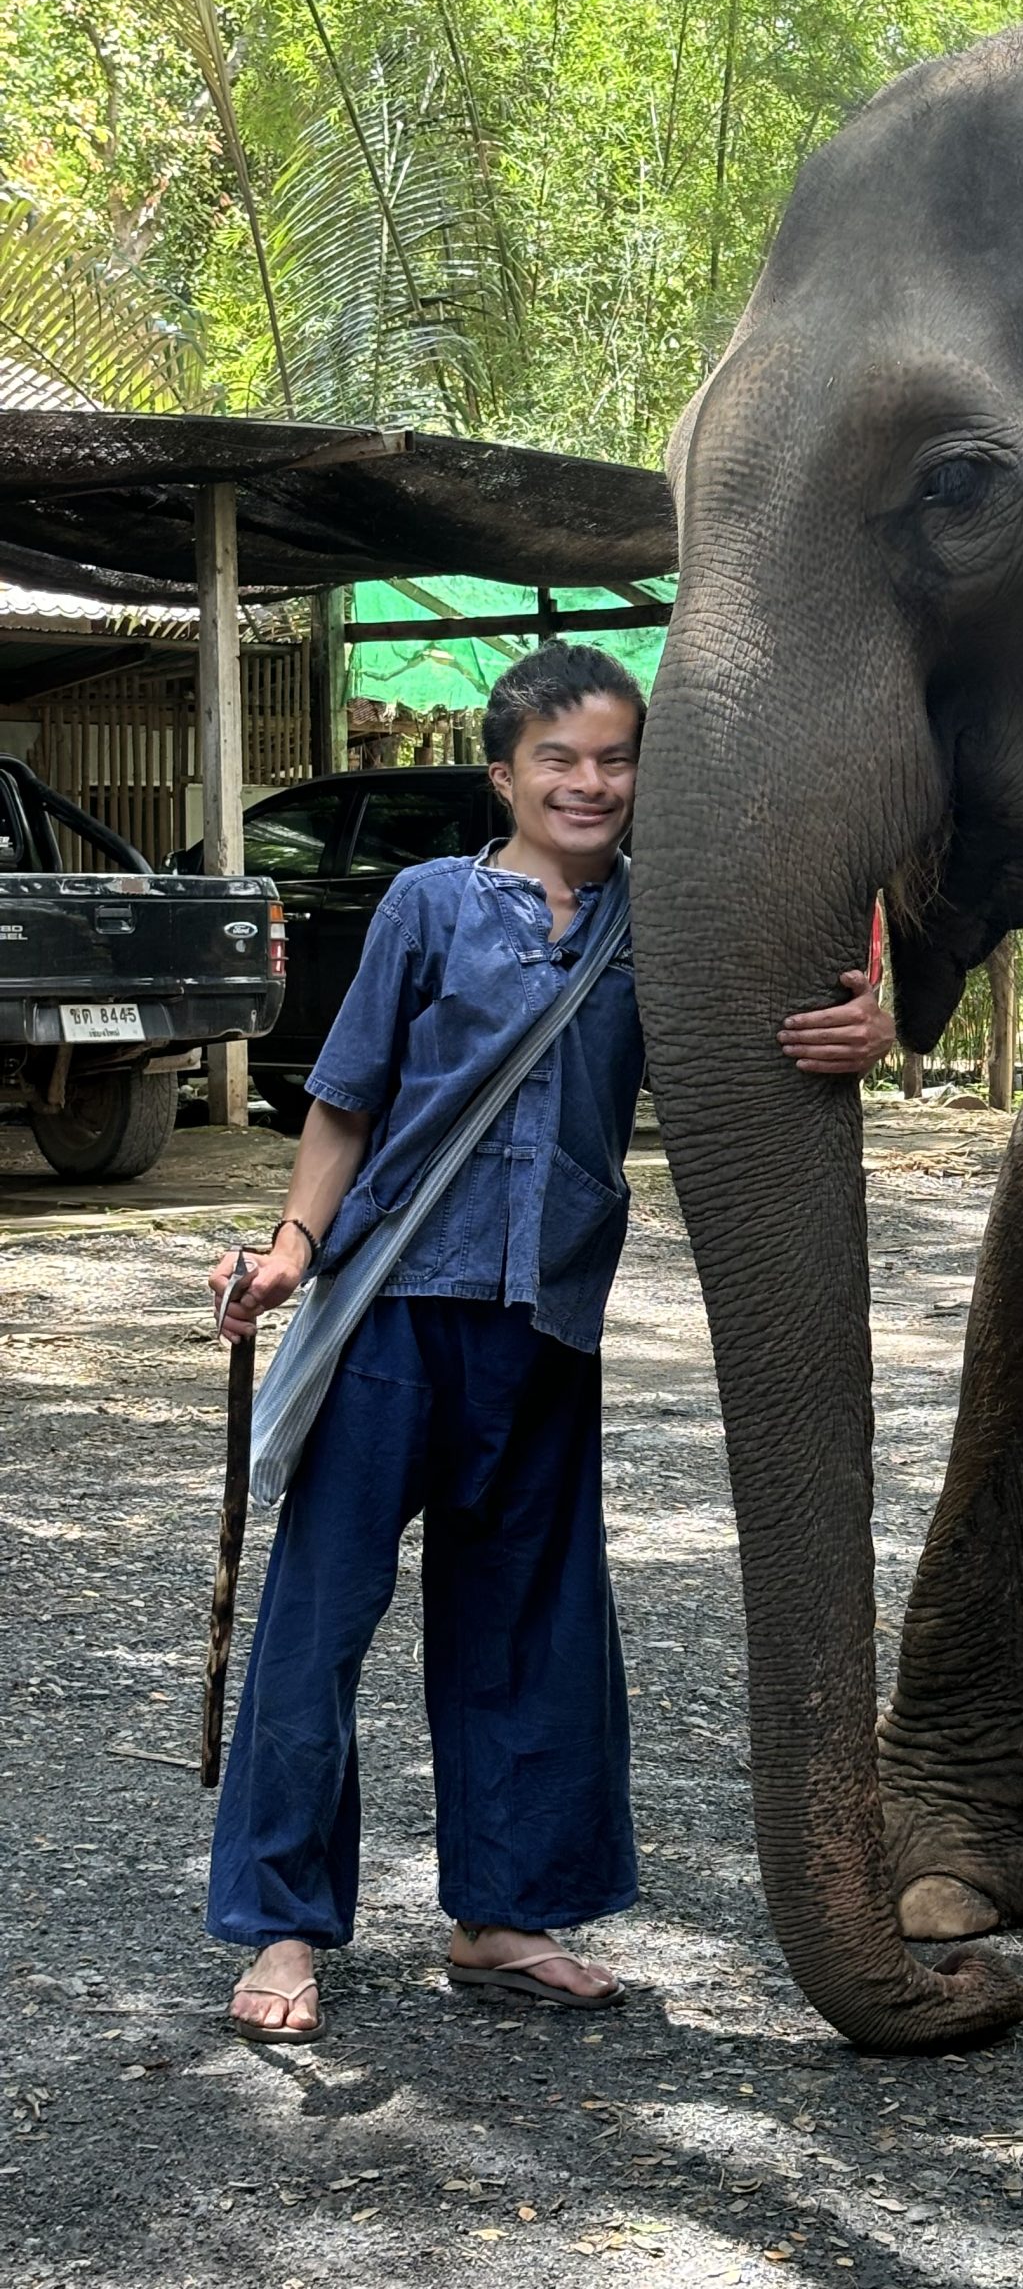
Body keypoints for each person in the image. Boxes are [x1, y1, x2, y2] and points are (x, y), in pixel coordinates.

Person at [205, 643, 895, 2039]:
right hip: (396, 1309)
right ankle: (281, 1928)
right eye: (559, 759)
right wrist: (290, 1247)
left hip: (547, 1321)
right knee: (319, 1625)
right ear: (504, 774)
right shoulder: (429, 903)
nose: (590, 783)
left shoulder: (664, 922)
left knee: (528, 1624)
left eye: (616, 758)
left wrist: (868, 1023)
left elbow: (780, 1027)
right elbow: (345, 1098)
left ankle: (502, 1919)